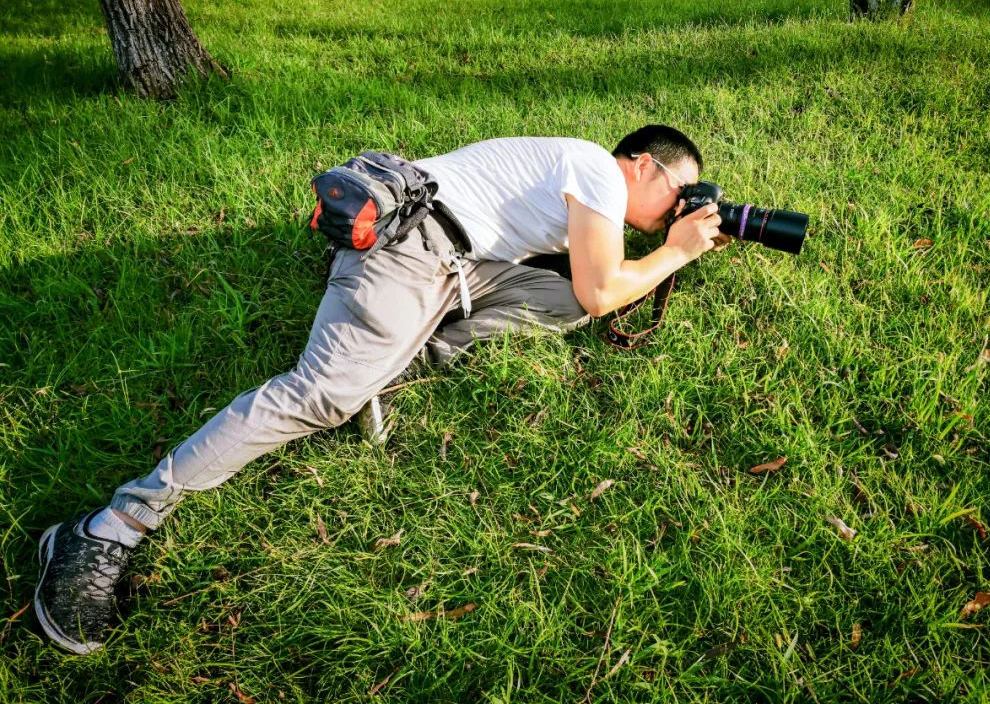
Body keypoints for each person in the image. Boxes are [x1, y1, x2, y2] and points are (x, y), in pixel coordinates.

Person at [34, 125, 728, 654]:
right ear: (642, 164)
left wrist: (669, 248)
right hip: (412, 251)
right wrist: (674, 252)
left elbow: (585, 287)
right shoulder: (600, 173)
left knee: (564, 300)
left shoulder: (578, 174)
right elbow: (604, 288)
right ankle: (107, 526)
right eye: (681, 190)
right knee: (320, 393)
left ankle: (398, 362)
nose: (681, 205)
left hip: (456, 260)